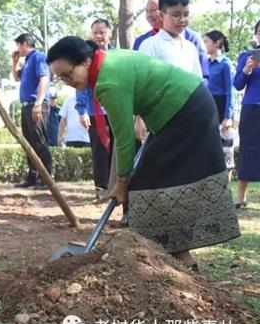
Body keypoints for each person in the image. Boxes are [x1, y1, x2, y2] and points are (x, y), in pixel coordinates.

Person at [47, 36, 240, 269]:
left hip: (185, 111)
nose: (67, 82)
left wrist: (122, 180)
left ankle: (162, 260)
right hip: (184, 107)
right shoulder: (108, 61)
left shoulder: (108, 82)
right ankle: (175, 259)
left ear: (86, 61)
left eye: (68, 74)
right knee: (150, 182)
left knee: (144, 185)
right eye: (61, 78)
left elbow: (124, 136)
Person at [76, 19, 114, 197]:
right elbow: (80, 85)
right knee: (99, 150)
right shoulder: (86, 57)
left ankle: (117, 185)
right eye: (95, 33)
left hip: (116, 108)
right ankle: (101, 187)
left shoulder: (116, 55)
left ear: (110, 33)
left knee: (117, 148)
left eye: (102, 32)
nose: (99, 36)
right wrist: (82, 110)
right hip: (94, 110)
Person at [133, 0, 209, 80]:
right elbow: (142, 80)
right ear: (161, 15)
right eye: (176, 15)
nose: (182, 20)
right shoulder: (150, 45)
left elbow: (198, 81)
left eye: (186, 15)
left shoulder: (190, 46)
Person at [12, 33, 52, 190]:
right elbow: (16, 78)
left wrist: (39, 103)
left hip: (36, 105)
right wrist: (14, 62)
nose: (17, 49)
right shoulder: (27, 62)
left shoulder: (38, 57)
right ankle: (33, 175)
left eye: (18, 45)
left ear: (25, 43)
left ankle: (46, 177)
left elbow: (44, 78)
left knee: (39, 140)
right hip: (26, 106)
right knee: (29, 142)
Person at [233, 19, 260, 209]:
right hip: (251, 106)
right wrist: (247, 69)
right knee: (247, 149)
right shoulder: (246, 56)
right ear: (256, 34)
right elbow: (238, 84)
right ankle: (241, 196)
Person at [204, 30, 236, 183]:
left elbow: (231, 91)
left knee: (226, 150)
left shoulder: (225, 64)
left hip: (222, 107)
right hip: (207, 107)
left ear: (217, 43)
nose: (204, 45)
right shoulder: (204, 62)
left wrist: (228, 117)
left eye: (207, 42)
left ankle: (227, 186)